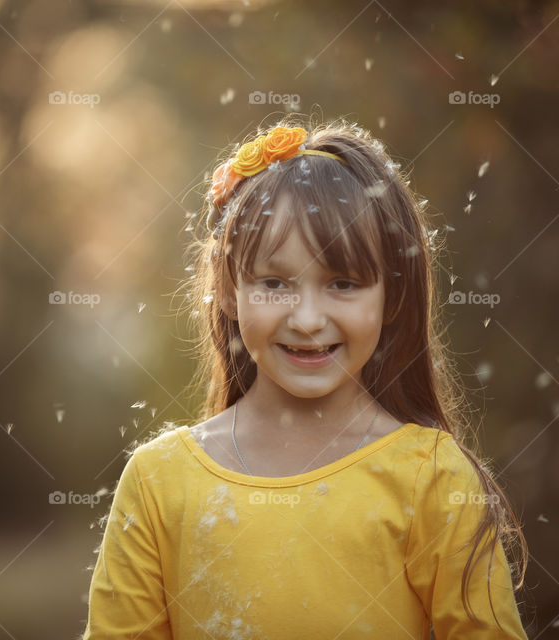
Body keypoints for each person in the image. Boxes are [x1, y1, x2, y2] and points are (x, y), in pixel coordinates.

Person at [80, 116, 529, 639]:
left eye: (343, 282)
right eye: (274, 283)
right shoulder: (157, 483)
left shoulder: (432, 477)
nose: (308, 319)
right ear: (229, 289)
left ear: (392, 296)